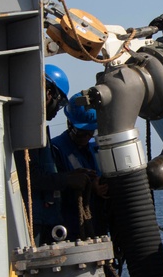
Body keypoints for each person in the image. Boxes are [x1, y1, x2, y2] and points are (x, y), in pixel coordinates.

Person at [17, 64, 96, 245]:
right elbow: (29, 177)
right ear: (48, 92)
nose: (57, 109)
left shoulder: (37, 130)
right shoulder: (25, 129)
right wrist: (67, 180)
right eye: (59, 102)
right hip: (33, 222)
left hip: (46, 220)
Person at [50, 92, 109, 239]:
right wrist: (90, 187)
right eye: (82, 133)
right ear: (69, 124)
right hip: (72, 229)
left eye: (91, 133)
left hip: (98, 225)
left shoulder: (96, 147)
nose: (87, 138)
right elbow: (54, 193)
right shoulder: (56, 149)